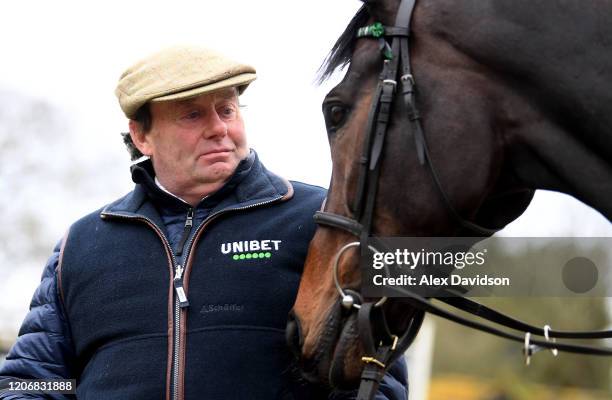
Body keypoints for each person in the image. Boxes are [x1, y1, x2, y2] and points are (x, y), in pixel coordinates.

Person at [0, 46, 408, 399]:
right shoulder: (81, 244)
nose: (219, 129)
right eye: (192, 115)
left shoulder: (322, 220)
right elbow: (31, 381)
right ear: (142, 136)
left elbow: (375, 372)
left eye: (227, 109)